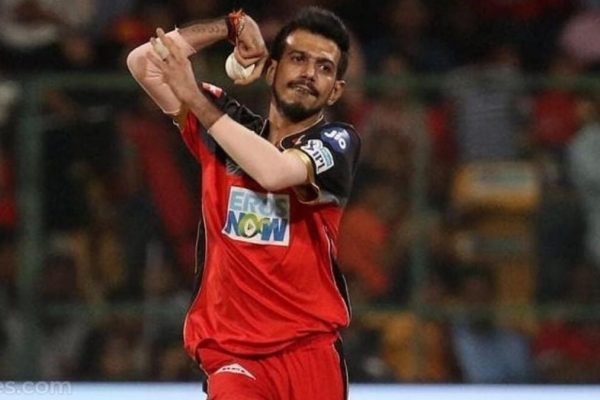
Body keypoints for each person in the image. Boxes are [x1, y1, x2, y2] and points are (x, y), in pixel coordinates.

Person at [126, 6, 360, 400]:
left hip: (310, 351)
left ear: (335, 90)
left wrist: (195, 99)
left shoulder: (337, 142)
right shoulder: (225, 125)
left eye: (324, 68)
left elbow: (274, 172)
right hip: (233, 355)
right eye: (298, 59)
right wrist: (229, 27)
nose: (308, 73)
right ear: (272, 70)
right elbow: (143, 62)